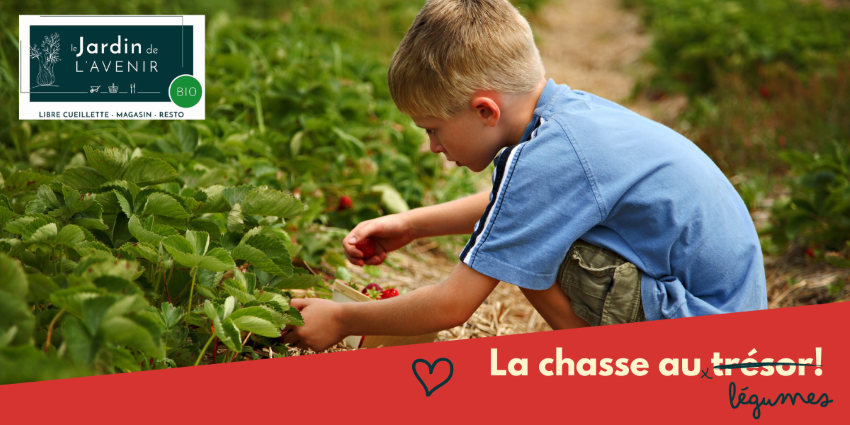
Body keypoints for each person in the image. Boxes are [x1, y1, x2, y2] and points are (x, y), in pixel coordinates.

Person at [283, 0, 767, 351]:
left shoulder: (551, 157)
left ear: (485, 110)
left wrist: (344, 318)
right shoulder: (570, 116)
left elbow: (452, 306)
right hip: (722, 312)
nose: (433, 147)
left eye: (433, 130)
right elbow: (523, 203)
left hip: (700, 342)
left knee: (524, 254)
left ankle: (603, 370)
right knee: (522, 235)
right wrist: (413, 224)